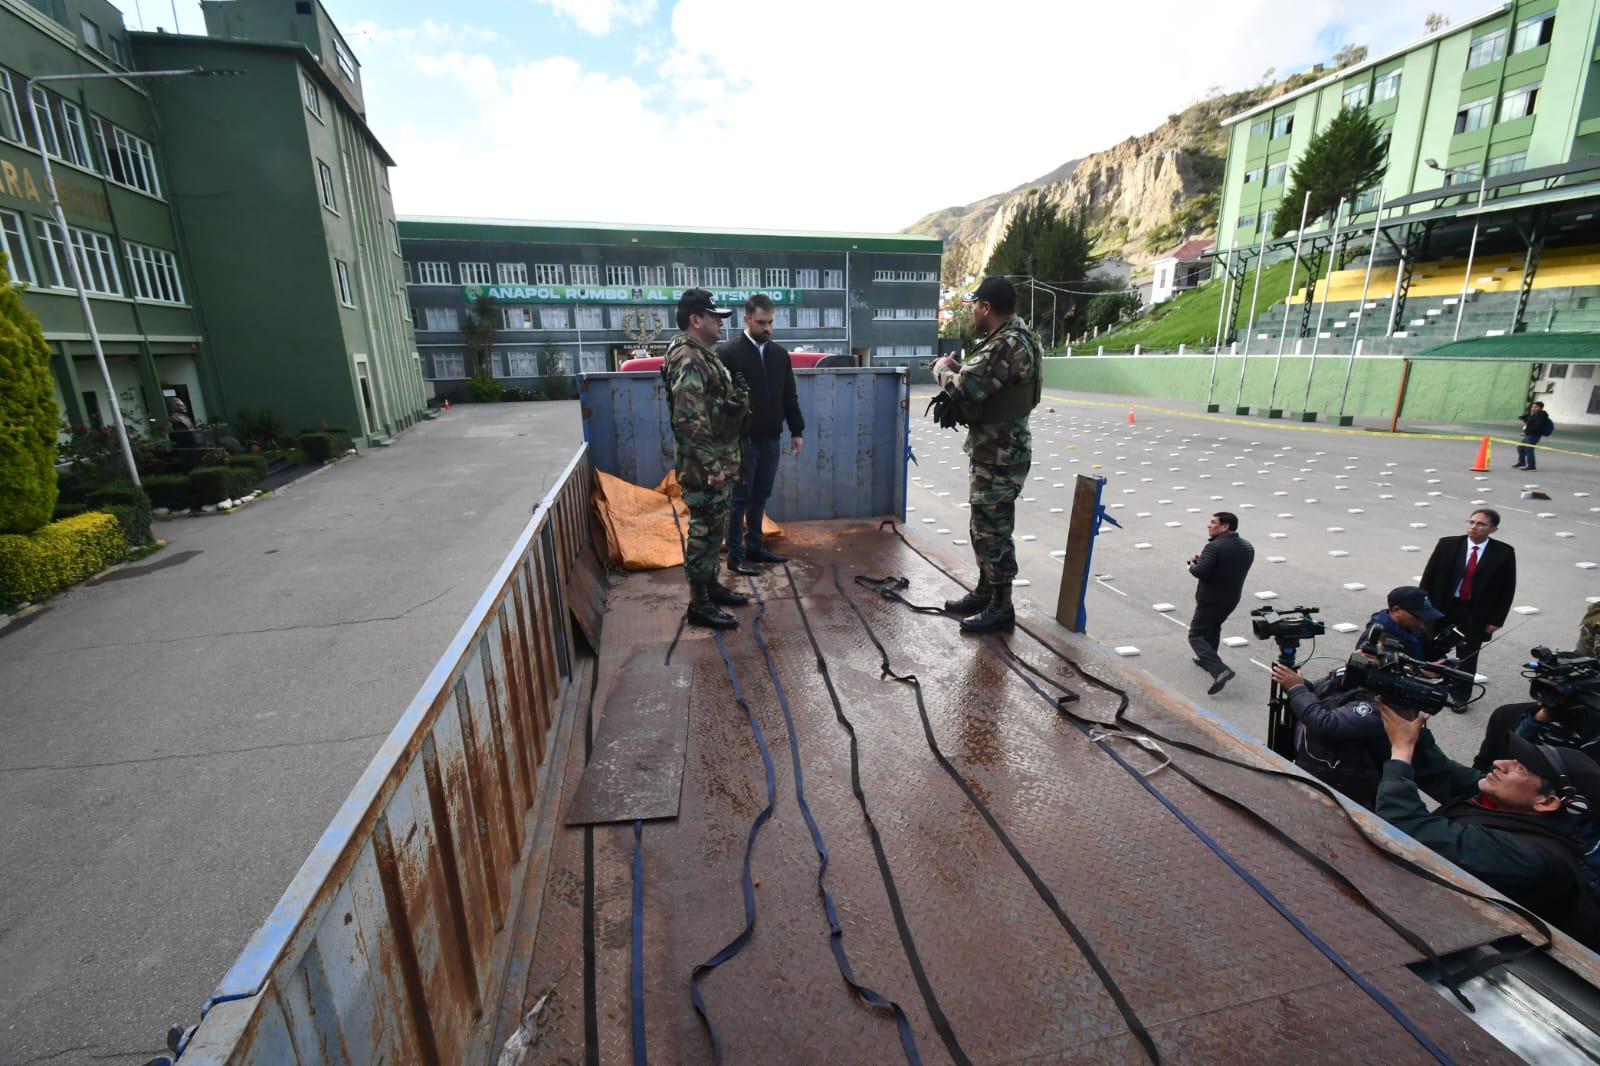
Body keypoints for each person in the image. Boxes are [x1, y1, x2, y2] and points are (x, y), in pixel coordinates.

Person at [1378, 700, 1600, 949]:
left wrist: (1401, 752)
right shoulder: (1514, 804)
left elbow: (1404, 828)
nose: (1498, 763)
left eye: (1520, 768)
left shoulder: (1527, 856)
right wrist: (1409, 718)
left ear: (1546, 802)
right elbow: (1444, 774)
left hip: (1519, 963)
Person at [930, 276, 1043, 633]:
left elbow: (970, 388)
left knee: (994, 529)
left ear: (987, 307)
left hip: (1001, 453)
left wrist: (941, 370)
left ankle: (1001, 605)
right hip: (994, 448)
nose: (973, 312)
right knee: (982, 524)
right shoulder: (1013, 338)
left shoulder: (1007, 344)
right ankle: (984, 590)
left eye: (975, 305)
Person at [662, 288, 751, 630]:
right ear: (695, 319)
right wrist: (712, 467)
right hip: (705, 468)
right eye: (715, 317)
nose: (720, 323)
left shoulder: (703, 354)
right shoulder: (688, 357)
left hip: (717, 462)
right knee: (704, 532)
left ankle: (710, 586)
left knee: (715, 528)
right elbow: (689, 417)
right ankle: (699, 604)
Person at [718, 293, 804, 575]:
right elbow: (716, 402)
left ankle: (755, 546)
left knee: (761, 495)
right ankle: (735, 554)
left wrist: (797, 430)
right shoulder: (728, 354)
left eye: (770, 322)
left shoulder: (780, 355)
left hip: (770, 439)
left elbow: (789, 395)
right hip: (742, 441)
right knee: (739, 498)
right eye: (761, 322)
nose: (767, 328)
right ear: (746, 319)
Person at [1421, 509, 1517, 704]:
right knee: (1429, 646)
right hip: (1443, 607)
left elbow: (1507, 589)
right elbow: (1428, 577)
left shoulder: (1504, 553)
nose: (1473, 527)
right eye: (1471, 522)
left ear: (1493, 529)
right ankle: (1422, 686)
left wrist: (1496, 620)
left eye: (1480, 524)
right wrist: (1421, 607)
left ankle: (1459, 697)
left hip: (1475, 612)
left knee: (1467, 656)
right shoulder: (1448, 544)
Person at [1269, 662, 1387, 809]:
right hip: (1314, 770)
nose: (1358, 653)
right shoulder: (1347, 675)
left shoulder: (1379, 705)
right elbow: (1320, 694)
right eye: (1361, 648)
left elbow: (1327, 724)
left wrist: (1297, 689)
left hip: (1344, 789)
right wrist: (1298, 684)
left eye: (1368, 655)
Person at [1187, 511, 1255, 694]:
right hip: (1231, 598)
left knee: (1196, 635)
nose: (1209, 526)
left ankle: (1219, 670)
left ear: (1225, 526)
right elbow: (1228, 568)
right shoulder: (1247, 546)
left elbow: (1201, 572)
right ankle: (1205, 659)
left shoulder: (1215, 547)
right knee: (1214, 626)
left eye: (1213, 522)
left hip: (1210, 599)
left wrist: (1192, 565)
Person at [1358, 586, 1447, 665]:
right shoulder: (1376, 639)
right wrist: (1420, 672)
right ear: (1396, 610)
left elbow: (1430, 655)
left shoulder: (1416, 629)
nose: (1423, 621)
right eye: (1418, 616)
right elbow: (1374, 672)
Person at [1515, 400, 1554, 470]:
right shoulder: (1533, 414)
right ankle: (1522, 462)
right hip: (1529, 434)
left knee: (1529, 449)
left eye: (1536, 407)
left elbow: (1536, 426)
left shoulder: (1541, 415)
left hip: (1534, 435)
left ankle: (1532, 466)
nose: (1533, 408)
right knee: (1520, 448)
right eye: (1532, 407)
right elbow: (1529, 422)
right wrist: (1523, 418)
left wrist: (1526, 432)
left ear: (1540, 408)